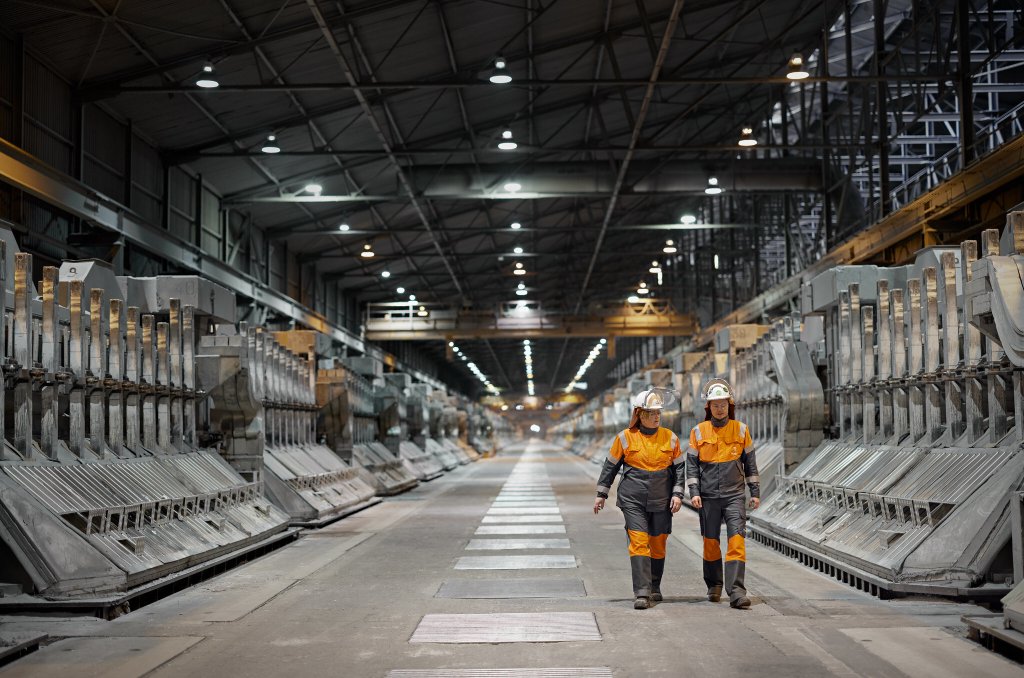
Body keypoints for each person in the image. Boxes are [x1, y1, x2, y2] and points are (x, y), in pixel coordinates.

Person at [593, 388, 684, 609]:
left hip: (661, 500)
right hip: (633, 499)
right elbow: (611, 466)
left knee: (658, 544)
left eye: (658, 413)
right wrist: (601, 494)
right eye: (651, 413)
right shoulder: (625, 438)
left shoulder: (670, 438)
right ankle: (642, 592)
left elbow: (680, 469)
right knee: (639, 543)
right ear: (639, 414)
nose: (656, 417)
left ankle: (654, 586)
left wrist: (678, 493)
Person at [685, 378, 760, 609]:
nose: (720, 408)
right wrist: (694, 492)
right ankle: (714, 585)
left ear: (729, 404)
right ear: (708, 407)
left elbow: (751, 464)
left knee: (736, 540)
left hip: (734, 495)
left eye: (723, 404)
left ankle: (737, 591)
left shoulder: (741, 430)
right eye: (715, 404)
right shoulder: (698, 432)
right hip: (707, 497)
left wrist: (754, 492)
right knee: (710, 543)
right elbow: (691, 466)